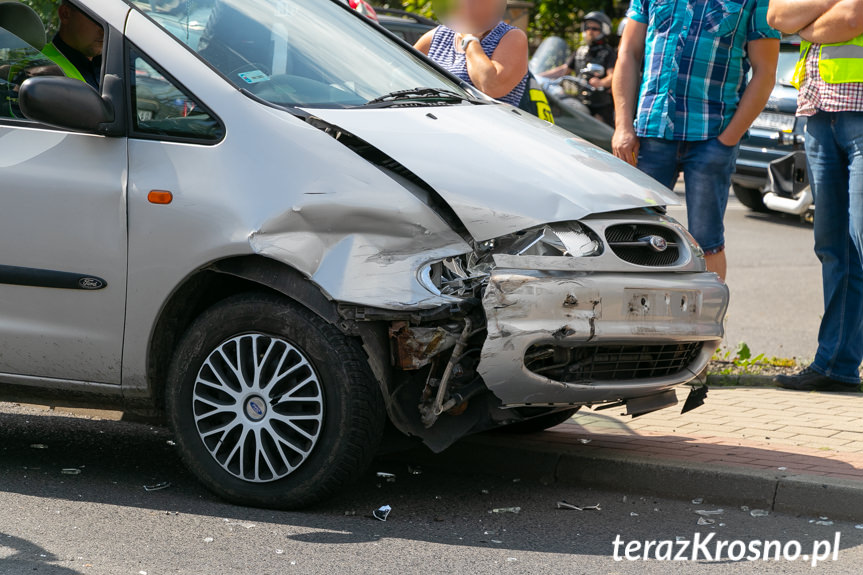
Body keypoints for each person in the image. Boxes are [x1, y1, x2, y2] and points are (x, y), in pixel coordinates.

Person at [612, 0, 780, 281]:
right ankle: (637, 322)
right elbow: (628, 54)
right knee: (633, 235)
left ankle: (706, 323)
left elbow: (765, 73)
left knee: (707, 241)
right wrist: (623, 126)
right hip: (650, 134)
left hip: (711, 138)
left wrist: (728, 139)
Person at [767, 0, 863, 392]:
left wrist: (805, 23)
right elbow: (777, 18)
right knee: (835, 247)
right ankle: (836, 364)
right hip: (819, 115)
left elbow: (852, 17)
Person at [414, 0, 528, 106]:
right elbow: (400, 72)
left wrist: (470, 40)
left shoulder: (512, 37)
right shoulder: (437, 36)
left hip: (484, 125)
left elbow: (491, 87)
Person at [540, 11, 617, 125]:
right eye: (588, 27)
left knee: (601, 133)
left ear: (604, 30)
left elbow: (613, 76)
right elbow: (563, 70)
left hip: (599, 104)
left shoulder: (608, 52)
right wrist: (539, 75)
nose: (590, 31)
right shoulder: (581, 51)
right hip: (579, 100)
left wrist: (600, 82)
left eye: (594, 28)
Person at [42, 0, 103, 90]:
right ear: (65, 14)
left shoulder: (113, 61)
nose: (103, 31)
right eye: (97, 19)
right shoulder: (40, 68)